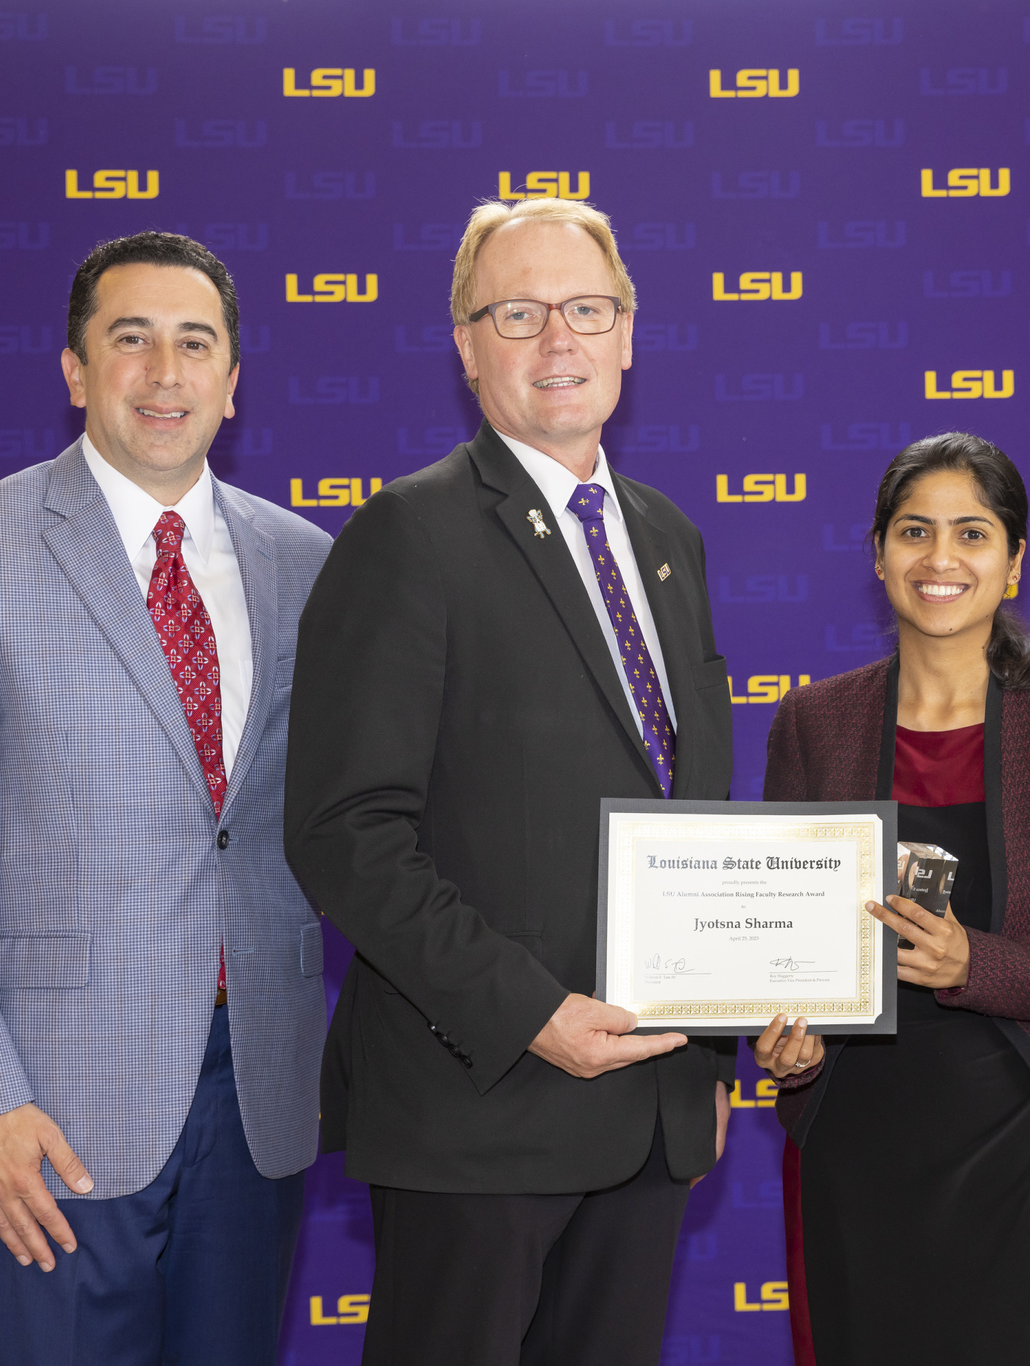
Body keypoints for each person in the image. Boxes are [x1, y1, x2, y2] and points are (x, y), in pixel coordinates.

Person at [283, 197, 737, 1366]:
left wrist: (714, 1041)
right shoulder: (405, 534)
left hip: (646, 1110)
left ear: (629, 333)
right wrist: (530, 1013)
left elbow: (693, 811)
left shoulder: (668, 539)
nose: (558, 341)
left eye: (586, 310)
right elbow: (346, 833)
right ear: (465, 343)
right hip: (476, 1113)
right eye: (518, 312)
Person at [0, 231, 333, 1363]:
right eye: (130, 341)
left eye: (195, 344)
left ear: (234, 380)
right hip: (51, 1106)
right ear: (76, 370)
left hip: (257, 1098)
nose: (164, 374)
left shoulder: (307, 562)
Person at [751, 431, 1030, 1365]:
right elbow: (778, 947)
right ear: (877, 552)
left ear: (1013, 564)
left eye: (973, 534)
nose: (940, 559)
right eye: (914, 531)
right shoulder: (812, 722)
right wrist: (781, 1040)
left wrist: (976, 962)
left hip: (1026, 1138)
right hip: (852, 1135)